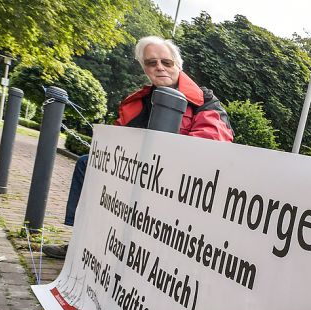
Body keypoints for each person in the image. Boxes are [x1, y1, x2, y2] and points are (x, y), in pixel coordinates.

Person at [42, 36, 233, 259]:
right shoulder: (138, 102)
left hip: (177, 181)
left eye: (166, 62)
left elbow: (212, 144)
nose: (160, 67)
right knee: (87, 163)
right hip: (135, 172)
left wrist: (164, 161)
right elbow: (116, 141)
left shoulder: (205, 101)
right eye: (152, 63)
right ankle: (83, 239)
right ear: (144, 68)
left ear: (178, 65)